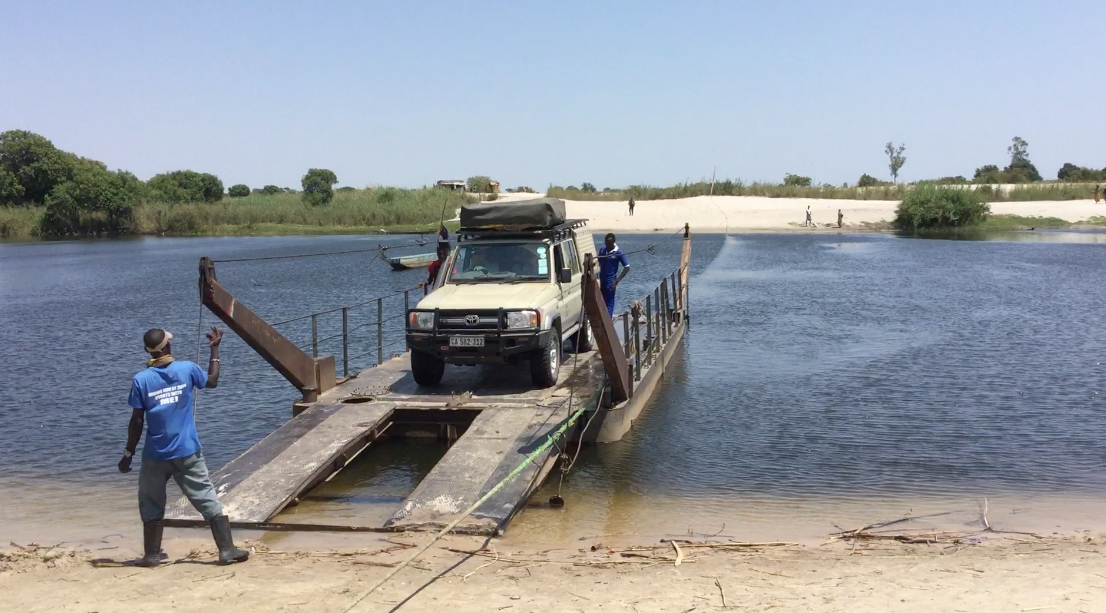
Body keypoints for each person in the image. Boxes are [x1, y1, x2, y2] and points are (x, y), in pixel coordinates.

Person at [119, 327, 249, 567]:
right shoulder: (187, 368)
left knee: (151, 501)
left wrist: (128, 453)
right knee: (205, 496)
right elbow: (212, 381)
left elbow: (136, 421)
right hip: (187, 450)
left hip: (154, 454)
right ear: (167, 347)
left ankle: (152, 555)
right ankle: (227, 550)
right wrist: (215, 349)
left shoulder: (141, 379)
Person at [597, 233, 630, 317]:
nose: (607, 246)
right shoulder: (602, 250)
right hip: (602, 279)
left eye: (609, 244)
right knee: (601, 302)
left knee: (609, 303)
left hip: (611, 281)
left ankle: (608, 322)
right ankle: (602, 319)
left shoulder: (618, 252)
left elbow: (627, 267)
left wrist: (617, 280)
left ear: (614, 242)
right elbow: (599, 262)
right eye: (606, 244)